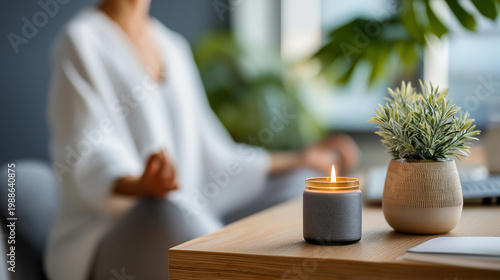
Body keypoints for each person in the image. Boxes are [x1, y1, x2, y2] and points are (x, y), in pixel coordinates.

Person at [45, 0, 360, 279]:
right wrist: (143, 183)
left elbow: (214, 154)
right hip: (117, 231)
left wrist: (301, 159)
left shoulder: (172, 46)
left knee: (301, 184)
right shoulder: (81, 40)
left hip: (188, 210)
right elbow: (84, 148)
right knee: (169, 210)